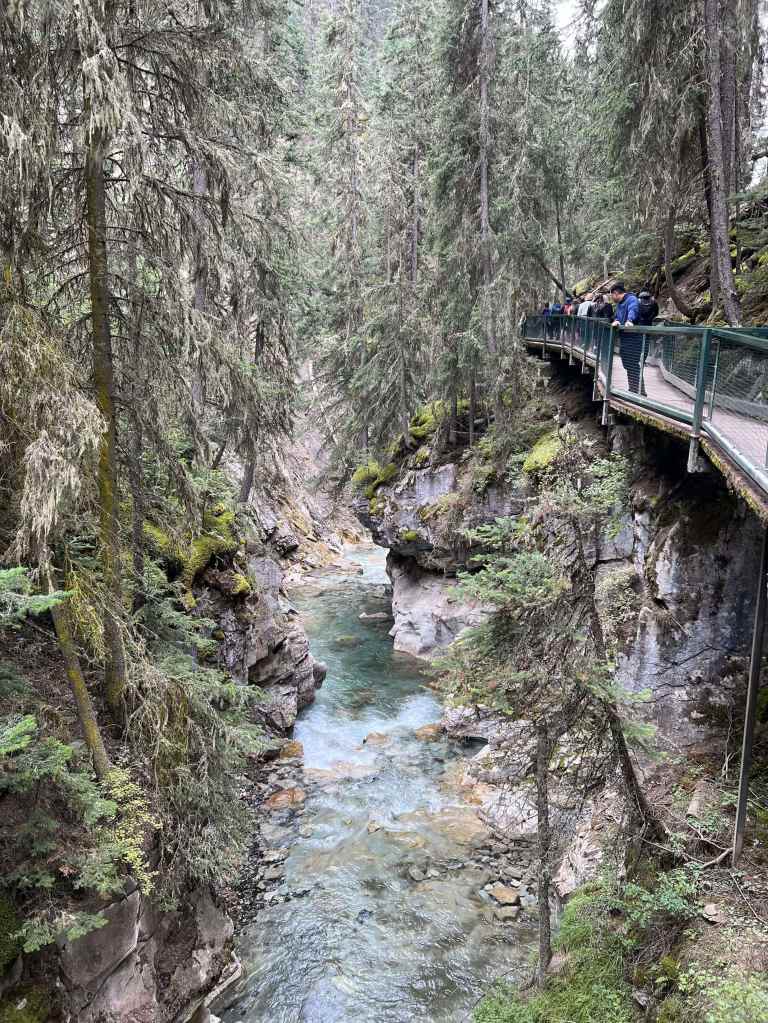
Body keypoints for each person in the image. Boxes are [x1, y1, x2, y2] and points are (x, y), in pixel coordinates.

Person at [610, 282, 643, 394]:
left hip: (634, 338)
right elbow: (617, 316)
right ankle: (633, 389)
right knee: (628, 364)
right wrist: (616, 321)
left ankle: (639, 391)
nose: (611, 298)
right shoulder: (619, 304)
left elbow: (633, 309)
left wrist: (630, 320)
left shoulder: (631, 299)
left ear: (616, 293)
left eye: (612, 295)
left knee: (632, 364)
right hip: (624, 338)